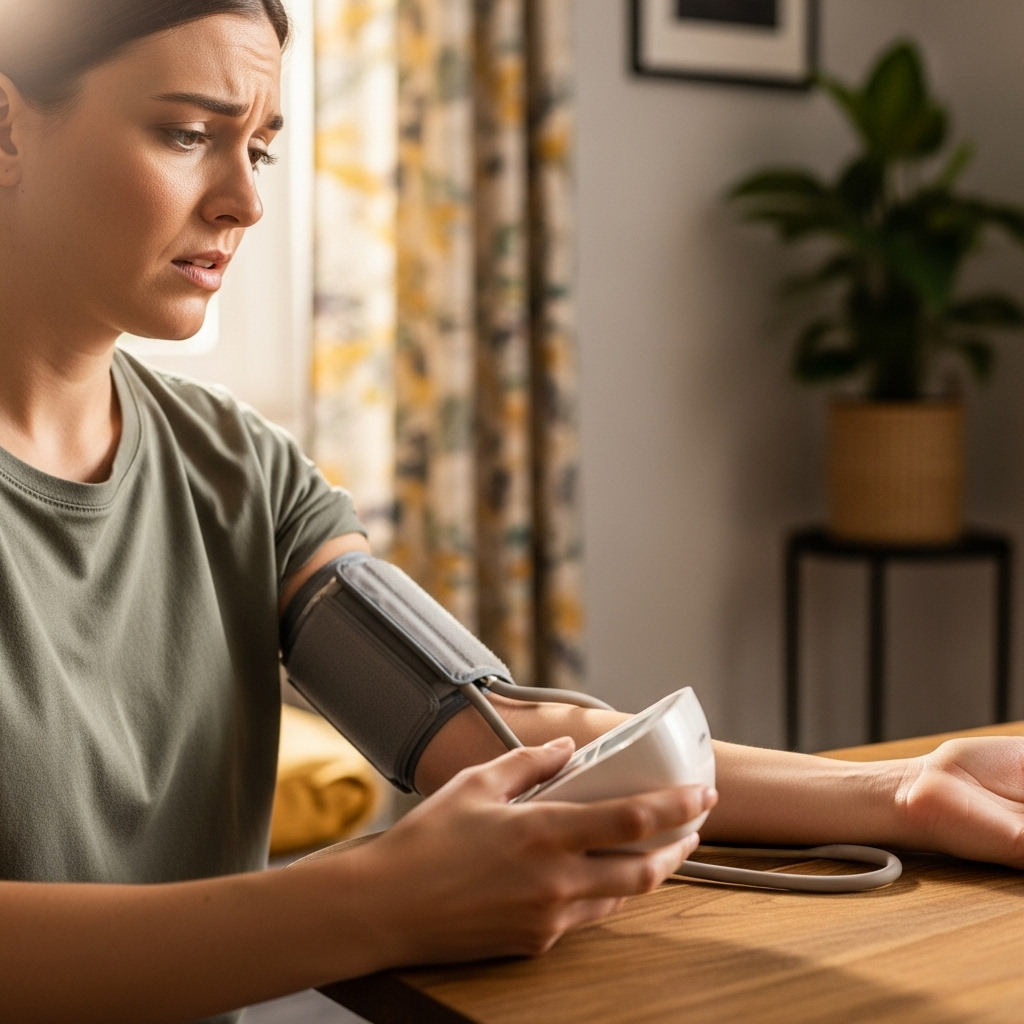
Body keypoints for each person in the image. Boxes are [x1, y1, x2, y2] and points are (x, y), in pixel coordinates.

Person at [0, 2, 1021, 1021]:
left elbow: (481, 724)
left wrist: (902, 791)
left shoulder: (239, 469)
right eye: (188, 134)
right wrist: (378, 901)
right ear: (9, 127)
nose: (245, 202)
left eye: (259, 150)